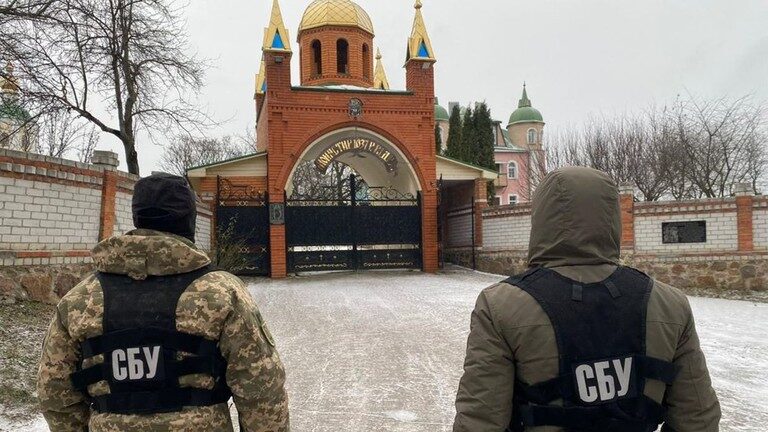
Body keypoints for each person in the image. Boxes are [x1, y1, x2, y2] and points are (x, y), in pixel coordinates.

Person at [453, 167, 720, 432]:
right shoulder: (669, 304)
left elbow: (480, 420)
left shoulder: (502, 306)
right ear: (611, 216)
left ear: (542, 219)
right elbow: (697, 417)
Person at [37, 173, 290, 432]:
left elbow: (54, 393)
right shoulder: (222, 293)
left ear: (137, 218)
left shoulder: (79, 299)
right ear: (189, 221)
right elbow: (261, 389)